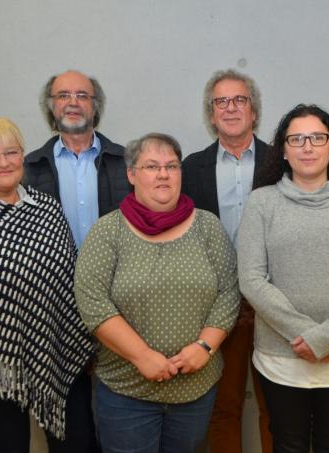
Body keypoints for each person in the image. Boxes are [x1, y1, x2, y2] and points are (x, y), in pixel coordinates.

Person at [0, 115, 97, 453]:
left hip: (58, 355)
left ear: (22, 155)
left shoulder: (47, 210)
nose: (4, 162)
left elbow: (71, 285)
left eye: (11, 152)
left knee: (78, 445)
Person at [74, 133, 240, 453]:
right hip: (126, 393)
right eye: (151, 166)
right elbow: (93, 302)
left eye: (171, 166)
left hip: (195, 392)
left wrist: (204, 346)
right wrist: (142, 356)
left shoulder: (208, 227)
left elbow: (228, 293)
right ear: (131, 175)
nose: (163, 174)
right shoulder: (108, 231)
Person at [238, 104, 329, 453]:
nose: (307, 147)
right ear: (284, 150)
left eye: (318, 138)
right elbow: (252, 279)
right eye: (297, 139)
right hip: (282, 357)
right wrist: (309, 336)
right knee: (287, 445)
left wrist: (326, 337)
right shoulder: (262, 202)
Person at [181, 68, 272, 453]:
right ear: (211, 114)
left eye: (239, 100)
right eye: (222, 101)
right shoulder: (190, 168)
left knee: (277, 409)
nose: (231, 108)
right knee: (223, 407)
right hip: (217, 305)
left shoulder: (281, 161)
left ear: (254, 111)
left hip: (272, 302)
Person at [24, 69, 131, 249]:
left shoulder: (126, 162)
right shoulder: (30, 167)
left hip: (115, 266)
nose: (73, 103)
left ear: (95, 106)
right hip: (55, 267)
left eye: (82, 96)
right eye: (63, 95)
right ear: (51, 106)